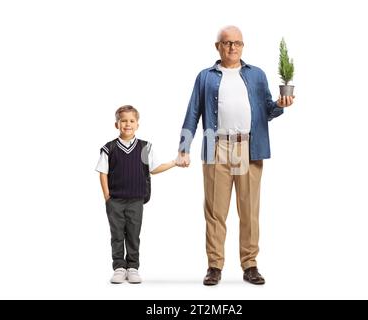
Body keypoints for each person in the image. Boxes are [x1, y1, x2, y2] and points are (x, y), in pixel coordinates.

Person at [176, 26, 294, 285]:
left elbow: (266, 111)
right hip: (215, 146)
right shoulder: (205, 77)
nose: (232, 47)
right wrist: (183, 148)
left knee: (249, 210)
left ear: (243, 46)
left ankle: (250, 265)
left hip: (248, 148)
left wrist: (280, 106)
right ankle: (215, 266)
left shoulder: (257, 75)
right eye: (227, 43)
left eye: (237, 43)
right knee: (215, 211)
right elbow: (193, 111)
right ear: (217, 46)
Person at [96, 105, 176, 284]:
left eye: (131, 121)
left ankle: (133, 267)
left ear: (137, 125)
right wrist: (107, 197)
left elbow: (154, 169)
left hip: (136, 200)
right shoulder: (109, 148)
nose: (127, 124)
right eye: (123, 120)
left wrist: (174, 162)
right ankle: (119, 267)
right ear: (116, 124)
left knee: (133, 233)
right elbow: (103, 172)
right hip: (115, 200)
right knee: (117, 234)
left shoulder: (144, 147)